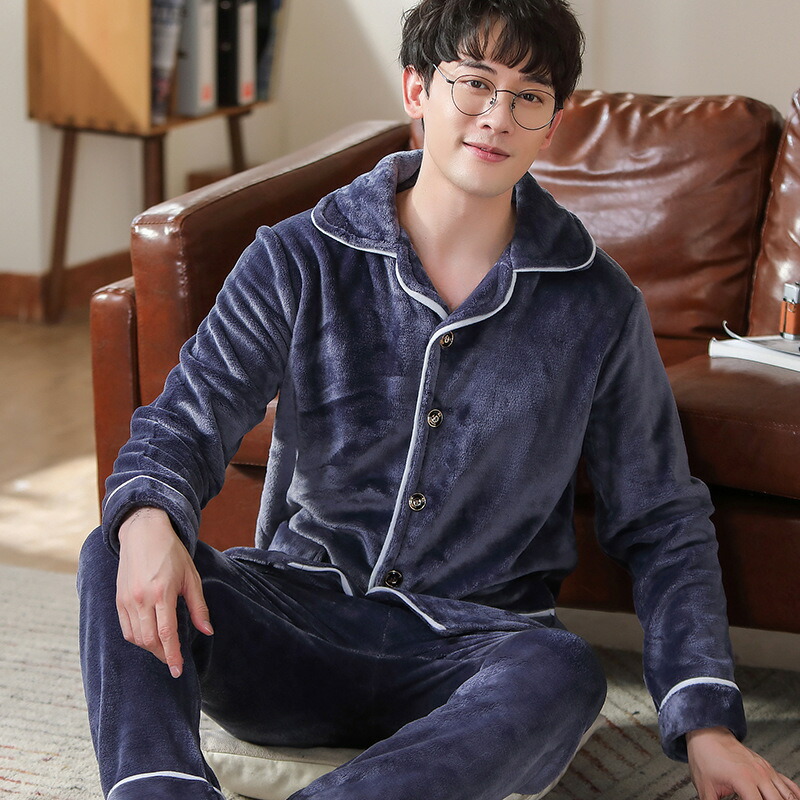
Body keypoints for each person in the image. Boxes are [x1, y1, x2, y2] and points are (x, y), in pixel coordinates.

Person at [78, 1, 800, 799]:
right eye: (475, 83)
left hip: (475, 655)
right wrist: (150, 518)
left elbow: (661, 519)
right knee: (120, 539)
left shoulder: (598, 304)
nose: (498, 116)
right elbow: (188, 417)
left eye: (529, 96)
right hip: (298, 624)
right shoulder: (298, 257)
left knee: (564, 671)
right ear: (417, 89)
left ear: (553, 126)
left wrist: (707, 727)